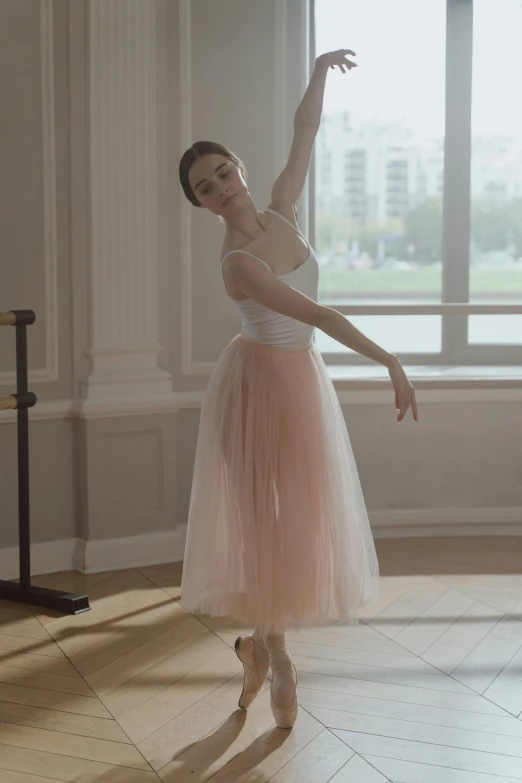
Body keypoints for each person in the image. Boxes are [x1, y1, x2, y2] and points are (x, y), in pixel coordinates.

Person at [178, 49, 418, 729]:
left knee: (301, 520)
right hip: (254, 388)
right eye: (205, 187)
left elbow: (305, 133)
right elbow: (316, 315)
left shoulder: (281, 209)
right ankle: (278, 657)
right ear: (200, 204)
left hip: (299, 381)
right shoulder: (238, 262)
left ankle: (256, 647)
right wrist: (389, 359)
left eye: (223, 171)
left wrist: (316, 72)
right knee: (266, 525)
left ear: (240, 169)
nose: (221, 187)